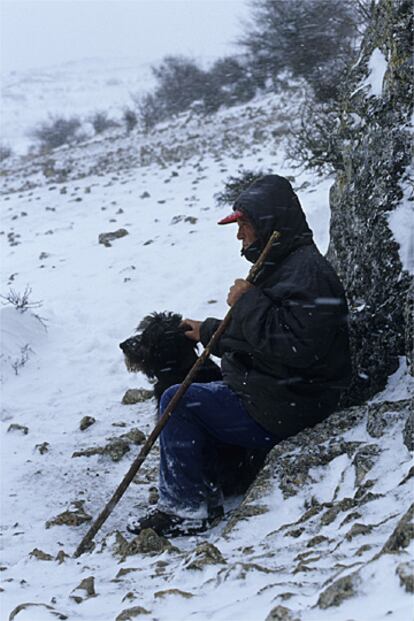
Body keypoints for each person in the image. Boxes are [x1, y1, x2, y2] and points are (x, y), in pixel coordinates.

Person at [128, 174, 352, 537]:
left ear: (267, 223)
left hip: (290, 404)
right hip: (279, 393)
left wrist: (248, 301)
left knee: (179, 399)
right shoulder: (284, 264)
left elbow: (297, 348)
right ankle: (213, 482)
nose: (239, 235)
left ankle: (185, 510)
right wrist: (210, 331)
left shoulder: (307, 273)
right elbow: (265, 334)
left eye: (243, 225)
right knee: (201, 389)